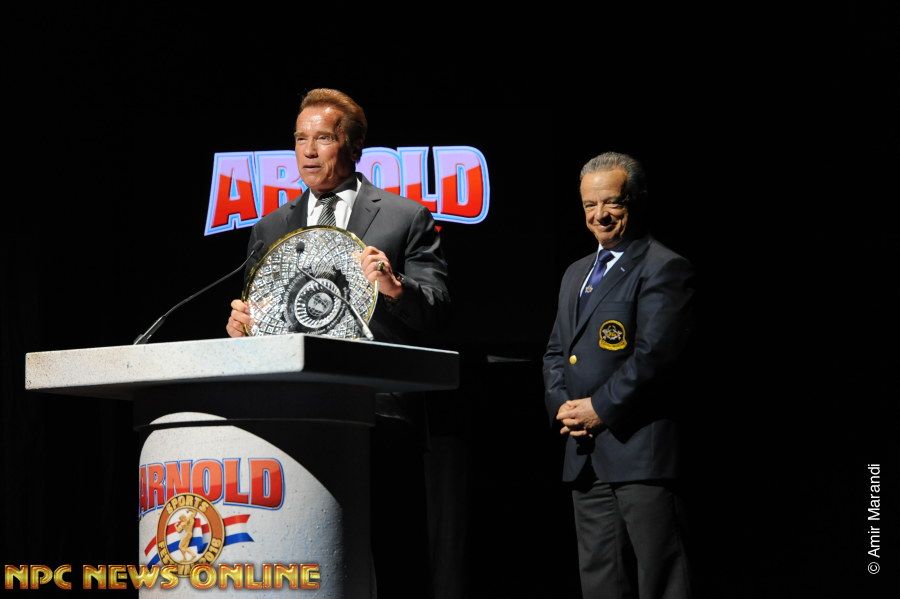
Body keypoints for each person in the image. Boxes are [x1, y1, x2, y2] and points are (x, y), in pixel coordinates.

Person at [226, 88, 449, 598]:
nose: (308, 151)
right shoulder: (272, 227)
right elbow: (260, 315)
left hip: (381, 414)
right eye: (300, 139)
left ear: (354, 145)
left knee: (398, 563)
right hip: (295, 415)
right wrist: (242, 326)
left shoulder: (403, 217)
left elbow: (437, 308)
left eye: (323, 138)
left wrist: (395, 287)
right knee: (307, 560)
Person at [543, 152, 694, 598]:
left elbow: (654, 357)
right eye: (590, 205)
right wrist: (563, 408)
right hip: (584, 454)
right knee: (600, 580)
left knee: (661, 578)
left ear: (636, 200)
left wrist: (599, 408)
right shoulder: (575, 273)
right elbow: (556, 352)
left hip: (640, 453)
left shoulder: (664, 266)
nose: (600, 215)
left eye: (612, 202)